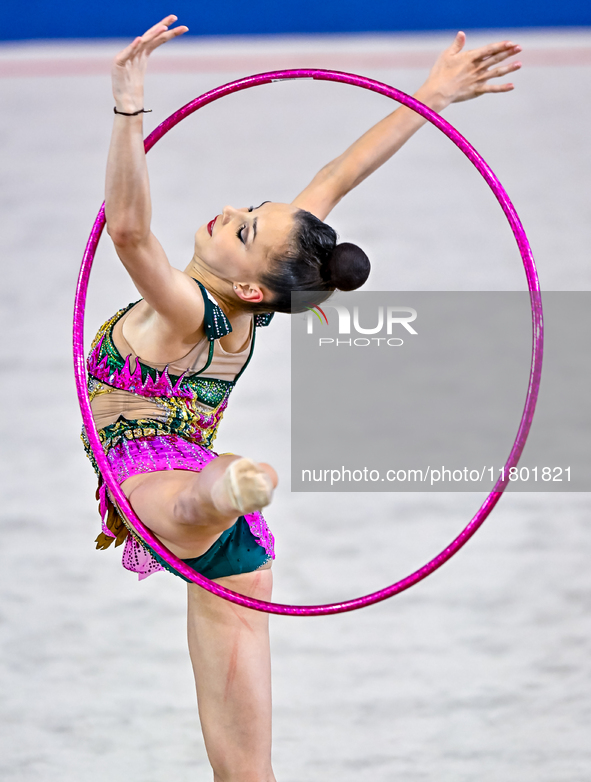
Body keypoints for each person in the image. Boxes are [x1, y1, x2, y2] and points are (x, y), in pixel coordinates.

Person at [85, 15, 521, 780]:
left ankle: (229, 487)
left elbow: (126, 232)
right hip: (235, 550)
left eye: (245, 227)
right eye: (253, 208)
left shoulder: (193, 310)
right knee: (248, 776)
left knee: (184, 503)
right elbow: (339, 172)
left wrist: (128, 103)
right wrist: (431, 95)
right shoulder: (254, 301)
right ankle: (232, 488)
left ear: (248, 283)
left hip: (156, 483)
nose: (233, 212)